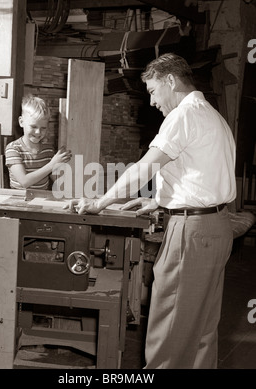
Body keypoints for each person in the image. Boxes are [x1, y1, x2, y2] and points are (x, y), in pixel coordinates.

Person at [68, 53, 236, 369]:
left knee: (170, 328)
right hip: (216, 226)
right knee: (200, 330)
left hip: (192, 234)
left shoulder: (183, 116)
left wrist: (100, 202)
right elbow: (201, 175)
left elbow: (143, 169)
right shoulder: (212, 115)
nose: (153, 102)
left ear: (170, 80)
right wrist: (159, 201)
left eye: (153, 91)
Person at [5, 94, 71, 190]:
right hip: (19, 201)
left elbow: (57, 180)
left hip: (42, 199)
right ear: (21, 122)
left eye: (43, 128)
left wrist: (61, 164)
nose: (38, 132)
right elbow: (24, 182)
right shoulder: (13, 149)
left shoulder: (47, 150)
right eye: (33, 126)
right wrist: (52, 164)